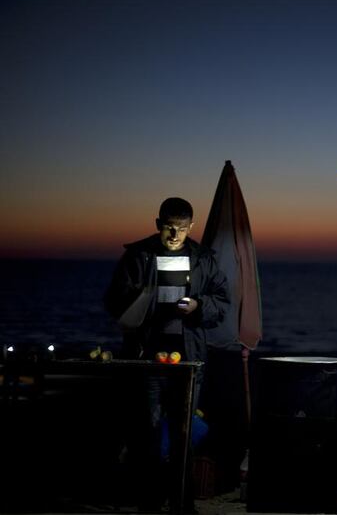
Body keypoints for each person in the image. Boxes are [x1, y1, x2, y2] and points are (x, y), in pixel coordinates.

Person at [104, 197, 230, 512]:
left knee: (183, 433)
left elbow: (223, 302)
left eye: (183, 229)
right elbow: (114, 301)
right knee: (146, 430)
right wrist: (143, 300)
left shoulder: (203, 258)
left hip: (188, 359)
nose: (175, 235)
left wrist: (199, 305)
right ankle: (149, 501)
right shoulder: (139, 255)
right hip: (146, 358)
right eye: (170, 228)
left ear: (191, 227)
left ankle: (182, 501)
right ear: (158, 223)